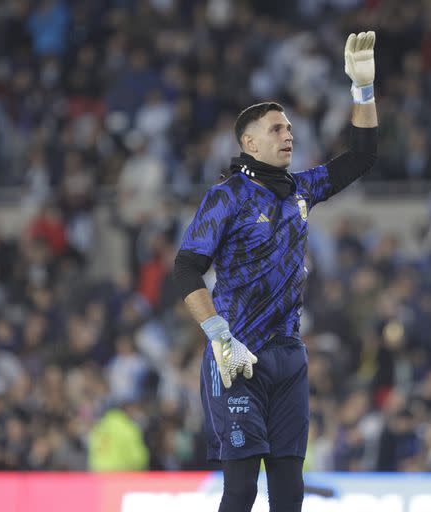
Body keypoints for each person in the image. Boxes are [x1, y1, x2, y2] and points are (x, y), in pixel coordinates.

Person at [172, 31, 378, 512]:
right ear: (249, 142)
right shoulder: (226, 197)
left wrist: (362, 91)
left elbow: (363, 157)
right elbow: (186, 269)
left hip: (289, 357)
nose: (288, 135)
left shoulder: (301, 190)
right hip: (237, 355)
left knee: (290, 495)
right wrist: (219, 338)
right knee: (241, 491)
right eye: (276, 129)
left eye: (289, 128)